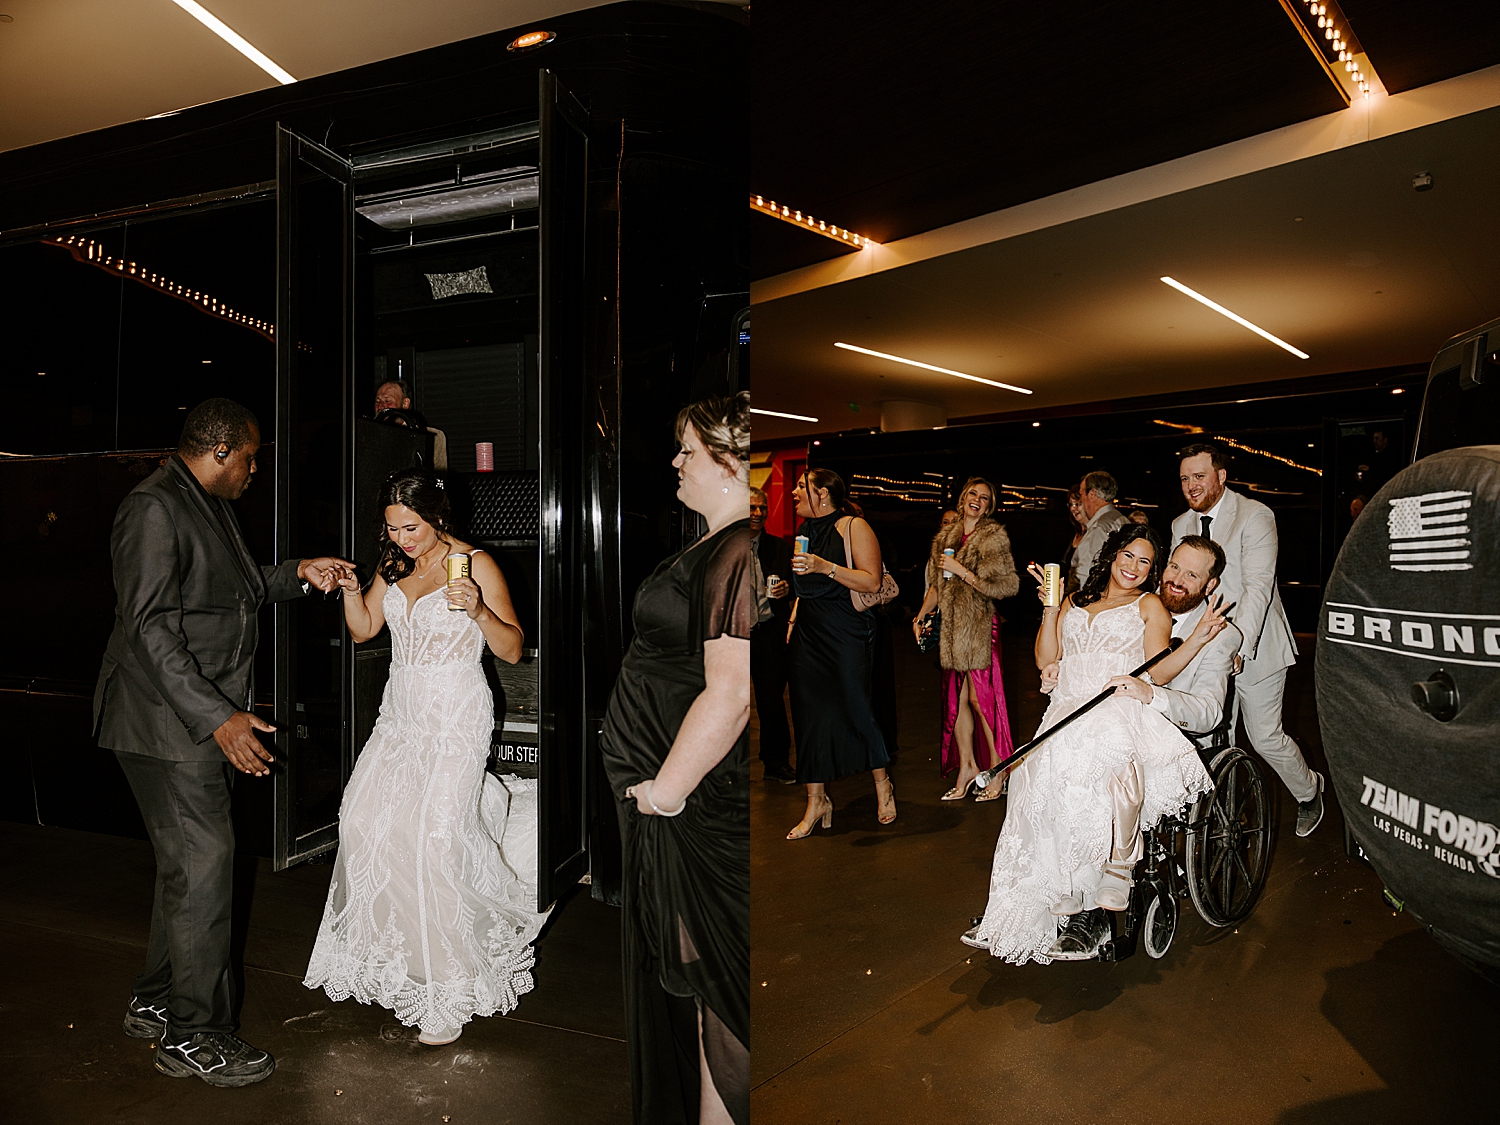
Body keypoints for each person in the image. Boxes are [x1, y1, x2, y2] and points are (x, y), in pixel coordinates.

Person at [95, 398, 349, 1087]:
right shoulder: (154, 509)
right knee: (208, 865)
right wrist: (218, 717)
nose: (255, 467)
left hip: (181, 720)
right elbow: (149, 627)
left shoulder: (202, 504)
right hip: (165, 725)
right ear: (217, 452)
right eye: (249, 454)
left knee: (189, 867)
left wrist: (299, 571)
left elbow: (233, 592)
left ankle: (157, 1000)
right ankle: (195, 1035)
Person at [304, 468, 546, 1047]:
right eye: (392, 530)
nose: (402, 539)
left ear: (438, 518)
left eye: (411, 527)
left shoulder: (477, 563)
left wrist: (481, 611)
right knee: (363, 824)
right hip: (400, 714)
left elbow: (512, 650)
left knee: (436, 839)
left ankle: (449, 990)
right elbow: (365, 629)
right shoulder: (395, 567)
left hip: (456, 714)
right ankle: (399, 963)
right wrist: (345, 588)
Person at [964, 523, 1223, 964]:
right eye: (1129, 556)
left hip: (1114, 707)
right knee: (1032, 788)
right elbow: (1048, 658)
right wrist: (1050, 607)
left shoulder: (1150, 605)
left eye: (1146, 562)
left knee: (1085, 775)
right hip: (1066, 710)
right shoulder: (1075, 601)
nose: (1135, 567)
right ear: (1113, 554)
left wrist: (1198, 638)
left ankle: (1097, 897)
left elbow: (1157, 672)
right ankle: (1017, 912)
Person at [600, 393, 752, 1125]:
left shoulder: (737, 552)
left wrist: (664, 790)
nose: (676, 461)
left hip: (691, 809)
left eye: (687, 449)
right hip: (671, 801)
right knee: (695, 987)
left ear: (729, 461)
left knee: (715, 985)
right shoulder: (715, 543)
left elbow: (730, 696)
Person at [1172, 443, 1324, 835]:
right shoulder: (1179, 525)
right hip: (1207, 646)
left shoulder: (1255, 516)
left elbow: (1258, 589)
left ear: (1221, 476)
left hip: (1257, 646)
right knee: (1208, 735)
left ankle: (1309, 792)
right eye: (1185, 478)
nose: (1192, 485)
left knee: (1265, 736)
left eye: (1200, 476)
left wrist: (1240, 646)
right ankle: (1221, 817)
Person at [785, 469, 895, 836]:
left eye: (802, 486)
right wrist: (792, 610)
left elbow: (872, 581)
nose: (794, 491)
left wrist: (825, 567)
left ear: (824, 495)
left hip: (846, 631)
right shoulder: (803, 532)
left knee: (856, 707)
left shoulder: (852, 527)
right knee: (808, 714)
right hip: (809, 633)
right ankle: (817, 801)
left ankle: (883, 785)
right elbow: (806, 587)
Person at [913, 476, 1019, 801]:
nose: (977, 500)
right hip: (951, 628)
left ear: (989, 506)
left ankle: (999, 770)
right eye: (973, 494)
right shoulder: (946, 536)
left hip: (980, 627)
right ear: (963, 499)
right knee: (956, 703)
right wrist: (920, 616)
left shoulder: (993, 537)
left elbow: (1008, 585)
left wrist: (962, 572)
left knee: (980, 699)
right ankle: (968, 768)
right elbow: (936, 585)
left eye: (984, 497)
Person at [750, 486, 796, 782]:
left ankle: (776, 762)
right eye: (751, 507)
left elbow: (795, 582)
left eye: (761, 508)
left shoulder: (779, 547)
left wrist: (787, 589)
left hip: (768, 632)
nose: (757, 514)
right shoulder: (720, 546)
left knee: (771, 700)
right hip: (729, 635)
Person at [1068, 470, 1127, 591]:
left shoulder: (1099, 528)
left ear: (1092, 494)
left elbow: (1085, 574)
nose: (1082, 501)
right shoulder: (1121, 519)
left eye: (1082, 494)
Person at [374, 378, 448, 471]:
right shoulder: (368, 436)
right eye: (377, 402)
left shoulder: (432, 436)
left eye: (387, 401)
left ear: (405, 403)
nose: (380, 406)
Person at [1058, 487, 1086, 596]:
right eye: (1071, 504)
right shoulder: (1072, 532)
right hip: (1067, 595)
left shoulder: (1096, 533)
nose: (1073, 509)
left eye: (1077, 504)